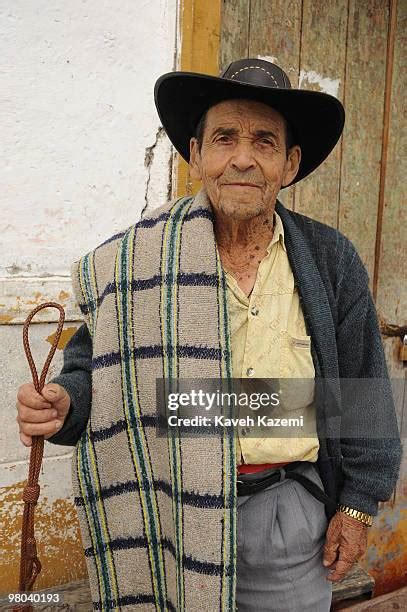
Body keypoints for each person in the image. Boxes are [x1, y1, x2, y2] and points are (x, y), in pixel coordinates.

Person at [16, 58, 402, 611]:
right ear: (196, 154)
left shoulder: (329, 259)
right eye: (224, 138)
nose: (242, 158)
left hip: (286, 517)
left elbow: (363, 395)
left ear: (289, 164)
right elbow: (92, 373)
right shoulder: (132, 263)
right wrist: (65, 404)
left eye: (264, 141)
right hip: (165, 511)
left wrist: (359, 505)